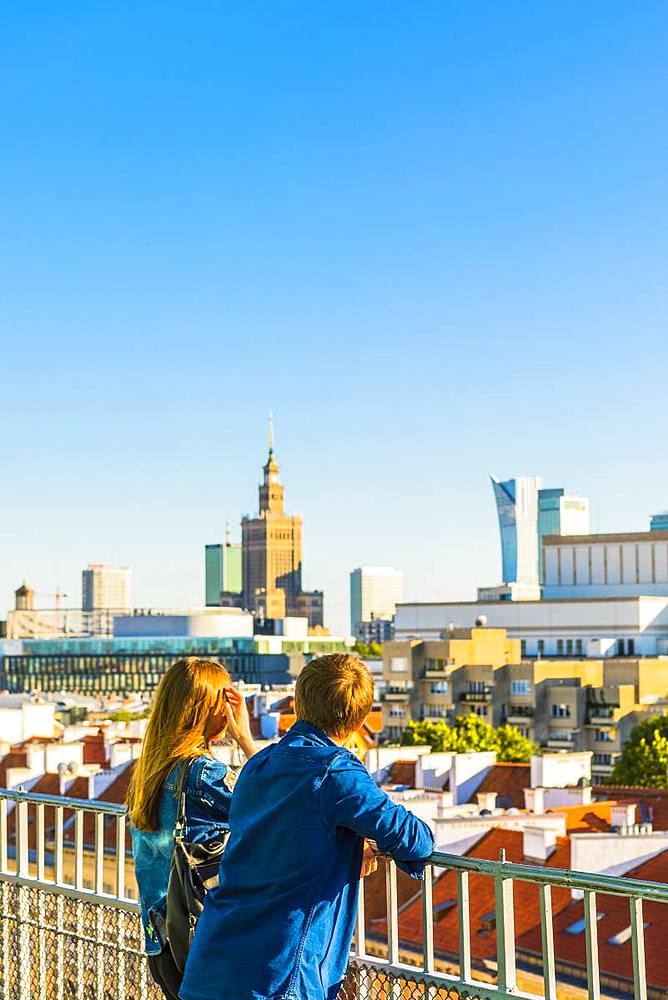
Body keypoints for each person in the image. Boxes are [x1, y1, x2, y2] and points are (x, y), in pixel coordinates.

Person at [180, 653, 434, 1000]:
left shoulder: (259, 767)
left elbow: (288, 817)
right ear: (361, 721)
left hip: (213, 961)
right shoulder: (337, 773)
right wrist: (362, 836)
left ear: (297, 705)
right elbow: (416, 840)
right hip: (278, 975)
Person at [128, 656, 257, 1000]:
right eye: (225, 700)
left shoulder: (151, 771)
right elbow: (273, 808)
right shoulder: (203, 774)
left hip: (162, 942)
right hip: (203, 941)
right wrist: (245, 738)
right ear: (208, 710)